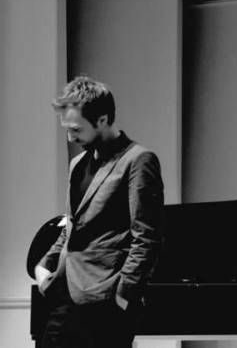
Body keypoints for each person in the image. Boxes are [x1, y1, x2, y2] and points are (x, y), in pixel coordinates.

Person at [34, 76, 164, 348]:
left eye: (76, 129)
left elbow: (146, 238)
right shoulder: (77, 163)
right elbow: (71, 227)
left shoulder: (138, 160)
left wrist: (123, 296)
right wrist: (45, 265)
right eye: (67, 129)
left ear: (102, 119)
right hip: (64, 293)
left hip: (105, 300)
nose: (70, 137)